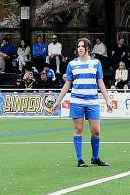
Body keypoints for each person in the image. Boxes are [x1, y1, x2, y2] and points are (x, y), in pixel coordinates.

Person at [49, 37, 115, 168]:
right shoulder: (72, 64)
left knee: (96, 131)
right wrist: (57, 102)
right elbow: (67, 84)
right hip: (77, 101)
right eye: (78, 46)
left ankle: (95, 158)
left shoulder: (96, 63)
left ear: (88, 48)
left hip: (92, 101)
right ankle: (80, 160)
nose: (79, 48)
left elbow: (100, 82)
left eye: (82, 46)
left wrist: (108, 100)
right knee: (78, 130)